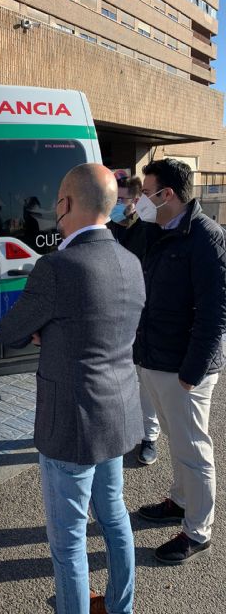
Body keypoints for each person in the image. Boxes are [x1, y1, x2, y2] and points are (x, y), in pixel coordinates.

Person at [0, 164, 145, 614]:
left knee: (68, 542)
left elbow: (10, 331)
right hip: (117, 414)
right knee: (115, 519)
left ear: (66, 204)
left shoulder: (57, 267)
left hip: (71, 424)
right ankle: (121, 607)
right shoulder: (130, 260)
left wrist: (45, 327)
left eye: (56, 202)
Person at [135, 158, 226, 565]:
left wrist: (192, 371)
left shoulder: (206, 238)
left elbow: (215, 313)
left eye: (145, 191)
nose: (139, 200)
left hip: (186, 370)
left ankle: (198, 530)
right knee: (178, 441)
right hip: (157, 358)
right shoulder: (157, 229)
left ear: (166, 194)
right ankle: (180, 500)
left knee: (193, 449)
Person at [108, 173, 162, 466]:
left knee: (145, 380)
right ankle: (123, 429)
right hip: (115, 315)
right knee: (119, 378)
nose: (118, 204)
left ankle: (149, 437)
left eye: (123, 199)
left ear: (137, 200)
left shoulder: (147, 230)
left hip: (142, 315)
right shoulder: (106, 228)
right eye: (114, 199)